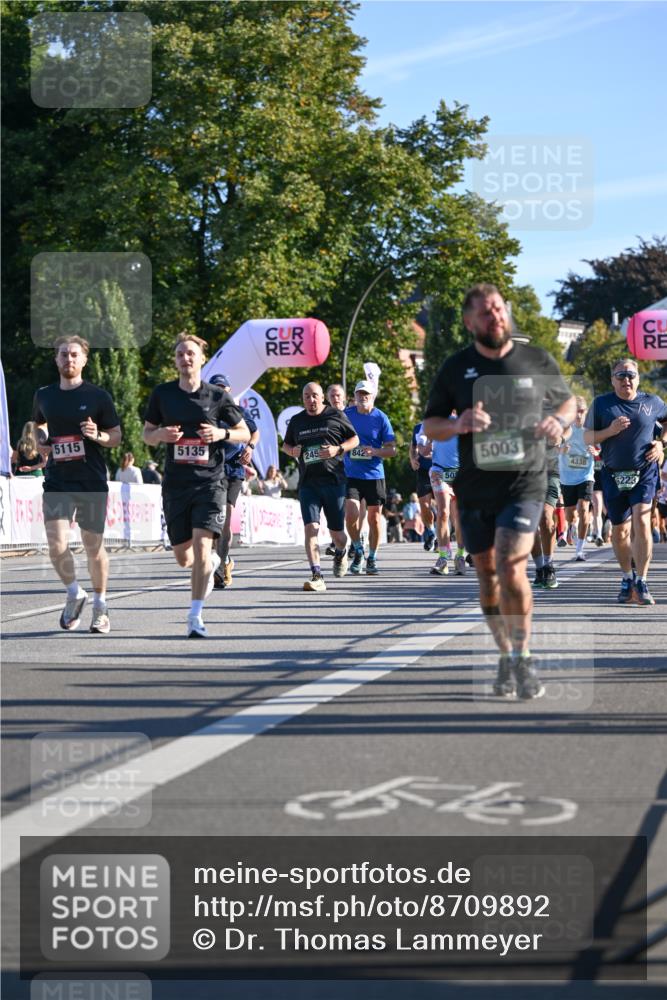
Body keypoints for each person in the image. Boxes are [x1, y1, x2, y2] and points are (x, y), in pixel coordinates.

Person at [424, 283, 575, 700]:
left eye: (499, 309)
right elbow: (430, 424)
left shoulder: (535, 358)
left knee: (511, 566)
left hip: (525, 480)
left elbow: (567, 403)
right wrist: (457, 424)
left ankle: (524, 655)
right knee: (488, 577)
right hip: (475, 487)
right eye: (486, 313)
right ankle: (506, 654)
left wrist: (559, 423)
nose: (496, 316)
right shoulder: (457, 368)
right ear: (470, 322)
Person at [143, 334, 249, 637]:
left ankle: (195, 615)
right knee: (183, 558)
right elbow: (146, 434)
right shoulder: (163, 395)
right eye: (180, 354)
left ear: (202, 358)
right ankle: (212, 561)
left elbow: (243, 432)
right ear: (175, 360)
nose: (185, 358)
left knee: (202, 549)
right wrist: (161, 434)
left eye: (190, 353)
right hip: (176, 485)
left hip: (210, 482)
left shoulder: (217, 396)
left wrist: (221, 435)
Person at [32, 336, 122, 634]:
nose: (68, 359)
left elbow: (116, 437)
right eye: (62, 355)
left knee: (93, 547)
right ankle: (74, 593)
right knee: (56, 546)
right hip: (57, 479)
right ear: (56, 360)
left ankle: (100, 605)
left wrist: (97, 435)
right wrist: (41, 441)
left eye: (74, 355)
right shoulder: (44, 394)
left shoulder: (99, 397)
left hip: (90, 480)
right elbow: (38, 425)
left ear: (84, 360)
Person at [583, 357, 667, 605]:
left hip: (645, 471)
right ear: (613, 379)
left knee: (642, 521)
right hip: (612, 474)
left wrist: (661, 444)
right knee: (620, 532)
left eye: (631, 375)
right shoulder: (601, 404)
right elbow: (587, 437)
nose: (626, 380)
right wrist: (610, 431)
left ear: (638, 378)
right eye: (621, 375)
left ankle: (641, 580)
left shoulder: (653, 402)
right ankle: (626, 577)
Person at [282, 382, 358, 591]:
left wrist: (338, 449)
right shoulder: (297, 421)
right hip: (308, 484)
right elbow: (286, 444)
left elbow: (355, 439)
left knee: (338, 535)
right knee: (311, 528)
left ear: (322, 397)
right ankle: (317, 574)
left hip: (334, 482)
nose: (311, 400)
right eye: (307, 396)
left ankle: (342, 551)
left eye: (314, 395)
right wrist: (292, 452)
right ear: (303, 399)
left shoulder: (335, 415)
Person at [206, 373, 260, 590]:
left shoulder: (238, 412)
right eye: (215, 387)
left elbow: (254, 433)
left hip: (233, 469)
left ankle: (222, 564)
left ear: (228, 391)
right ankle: (223, 560)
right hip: (211, 470)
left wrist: (250, 448)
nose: (219, 391)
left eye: (223, 388)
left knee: (226, 516)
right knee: (212, 520)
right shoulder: (204, 412)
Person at [343, 380, 396, 575]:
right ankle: (358, 549)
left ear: (373, 396)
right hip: (352, 474)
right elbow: (335, 436)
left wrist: (374, 451)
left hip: (374, 475)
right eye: (359, 394)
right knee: (351, 514)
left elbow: (392, 450)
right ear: (354, 396)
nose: (363, 397)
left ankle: (372, 557)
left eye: (366, 394)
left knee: (374, 519)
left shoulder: (381, 418)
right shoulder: (346, 415)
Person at [426, 423, 468, 576]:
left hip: (461, 473)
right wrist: (424, 446)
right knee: (443, 513)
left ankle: (460, 556)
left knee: (459, 518)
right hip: (440, 472)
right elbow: (424, 450)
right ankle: (443, 559)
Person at [558, 397, 595, 563]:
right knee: (570, 515)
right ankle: (572, 526)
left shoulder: (591, 429)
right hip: (567, 477)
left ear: (585, 412)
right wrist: (561, 449)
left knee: (583, 508)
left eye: (582, 412)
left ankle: (579, 550)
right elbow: (552, 446)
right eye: (576, 412)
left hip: (586, 476)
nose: (579, 415)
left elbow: (602, 447)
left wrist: (595, 450)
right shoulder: (564, 429)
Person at [410, 421, 436, 551]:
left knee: (444, 509)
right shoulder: (418, 428)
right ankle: (431, 533)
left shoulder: (446, 424)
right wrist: (413, 459)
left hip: (442, 470)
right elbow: (413, 447)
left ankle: (444, 536)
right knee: (424, 506)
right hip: (424, 471)